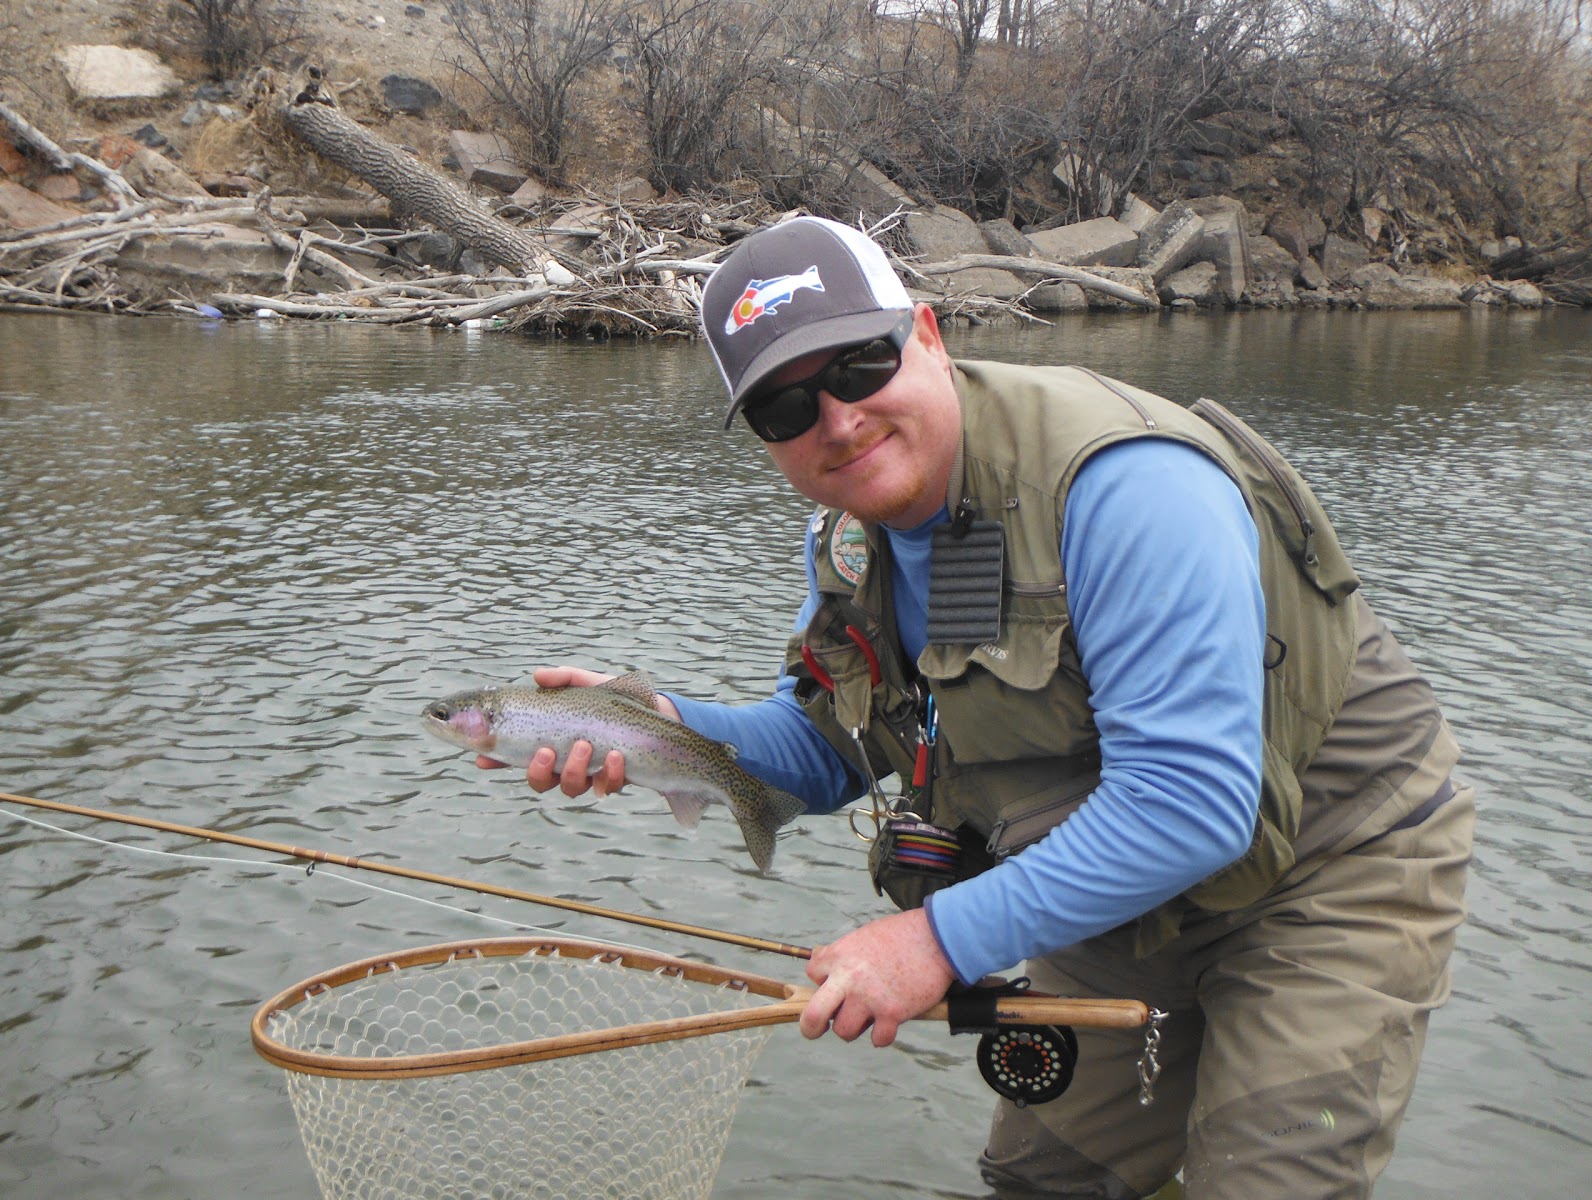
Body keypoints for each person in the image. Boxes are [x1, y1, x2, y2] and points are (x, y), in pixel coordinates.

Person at [492, 216, 1474, 1199]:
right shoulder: (848, 536)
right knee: (1044, 1179)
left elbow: (1191, 800)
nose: (836, 420)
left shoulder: (1126, 485)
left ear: (927, 333)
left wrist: (934, 942)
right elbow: (828, 746)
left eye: (861, 365)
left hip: (1325, 867)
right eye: (784, 407)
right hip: (1114, 871)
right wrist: (657, 723)